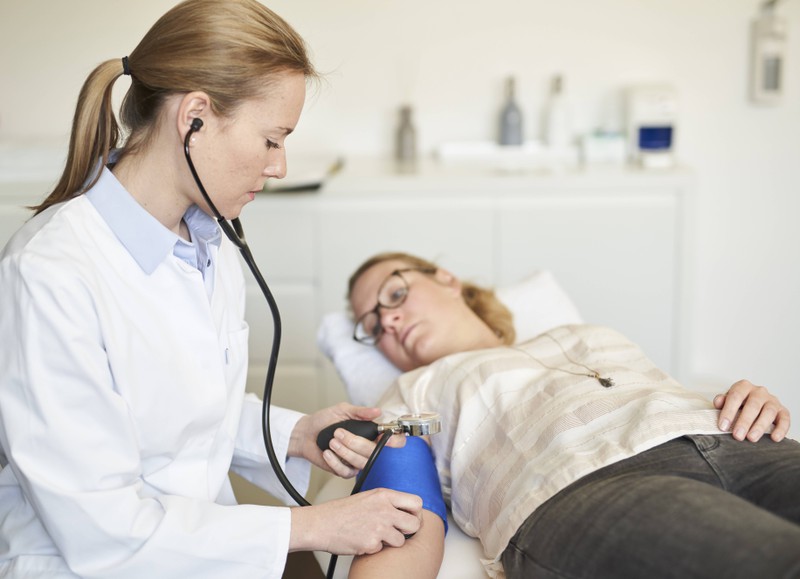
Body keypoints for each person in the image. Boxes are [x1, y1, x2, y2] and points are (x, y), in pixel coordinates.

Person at [0, 4, 423, 578]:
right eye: (272, 139)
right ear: (194, 116)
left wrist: (296, 434)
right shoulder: (49, 273)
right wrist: (315, 526)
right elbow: (100, 529)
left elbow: (186, 414)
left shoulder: (206, 244)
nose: (279, 166)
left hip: (196, 547)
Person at [337, 251, 799, 579]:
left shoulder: (587, 332)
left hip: (734, 441)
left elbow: (661, 391)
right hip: (592, 487)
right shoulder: (409, 392)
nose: (389, 322)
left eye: (395, 295)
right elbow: (402, 514)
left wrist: (743, 397)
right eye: (373, 327)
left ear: (446, 279)